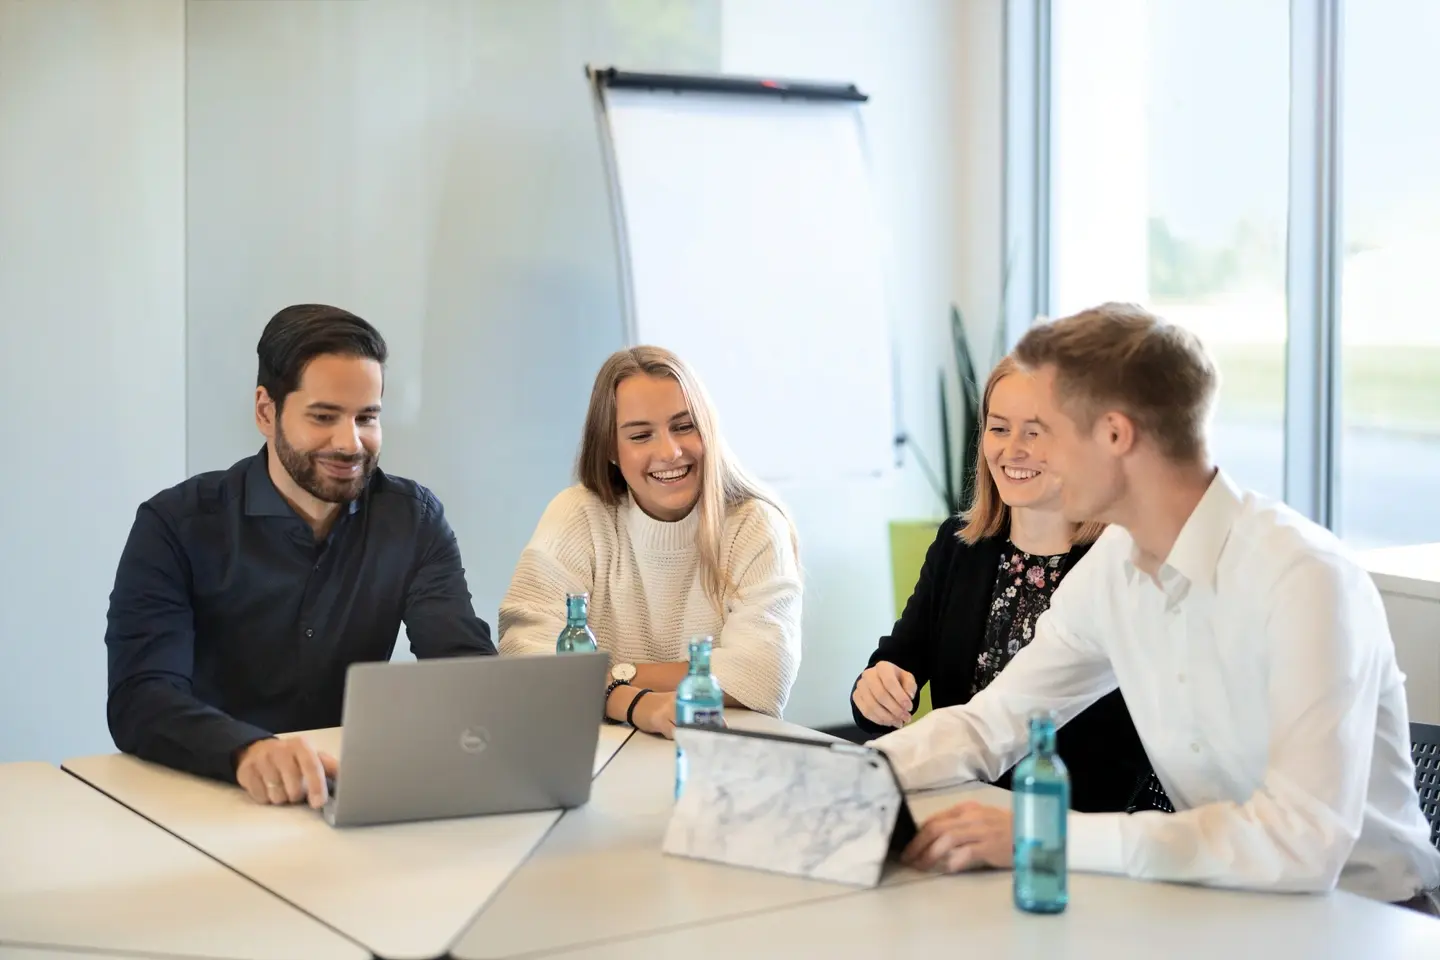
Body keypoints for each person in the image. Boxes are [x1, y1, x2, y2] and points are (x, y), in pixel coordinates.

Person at [872, 302, 1440, 914]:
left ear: (1115, 435)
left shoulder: (1304, 578)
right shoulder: (1114, 568)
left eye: (1050, 432)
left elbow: (1299, 844)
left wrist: (1050, 836)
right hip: (1220, 904)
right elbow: (992, 724)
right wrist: (844, 775)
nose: (1033, 457)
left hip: (1367, 919)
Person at [106, 304, 495, 807]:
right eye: (324, 416)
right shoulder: (175, 526)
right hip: (208, 793)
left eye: (367, 418)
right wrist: (247, 751)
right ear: (266, 411)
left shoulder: (413, 519)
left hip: (346, 793)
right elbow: (140, 698)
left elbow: (462, 667)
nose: (350, 442)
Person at [851, 356, 1159, 813]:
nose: (1013, 449)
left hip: (1080, 830)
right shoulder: (959, 547)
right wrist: (875, 689)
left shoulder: (1121, 564)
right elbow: (895, 665)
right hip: (959, 809)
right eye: (999, 429)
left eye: (1036, 432)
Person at [499, 345, 801, 736]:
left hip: (716, 748)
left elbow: (762, 674)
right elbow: (526, 654)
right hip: (597, 754)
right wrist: (632, 702)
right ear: (610, 448)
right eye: (641, 435)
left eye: (684, 426)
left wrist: (612, 675)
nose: (670, 452)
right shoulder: (576, 514)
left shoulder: (753, 524)